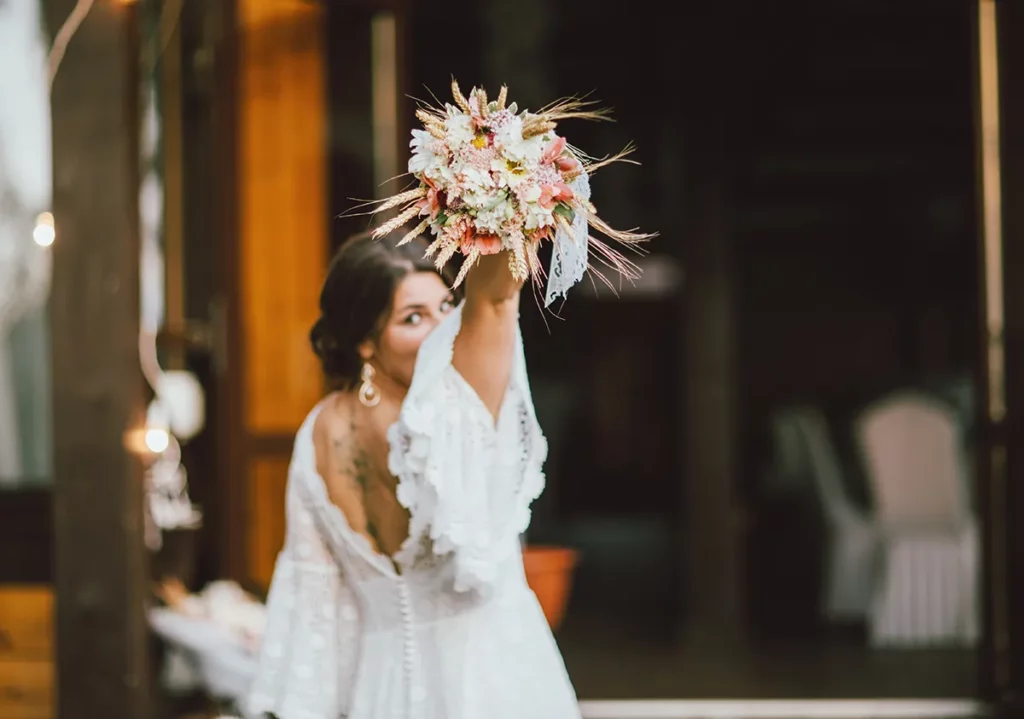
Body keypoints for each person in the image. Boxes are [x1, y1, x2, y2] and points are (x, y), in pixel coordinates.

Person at [247, 228, 581, 719]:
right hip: (489, 684)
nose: (440, 329)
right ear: (365, 340)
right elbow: (493, 300)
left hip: (380, 693)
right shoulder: (446, 424)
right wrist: (511, 192)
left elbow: (312, 601)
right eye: (412, 318)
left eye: (447, 307)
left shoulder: (316, 432)